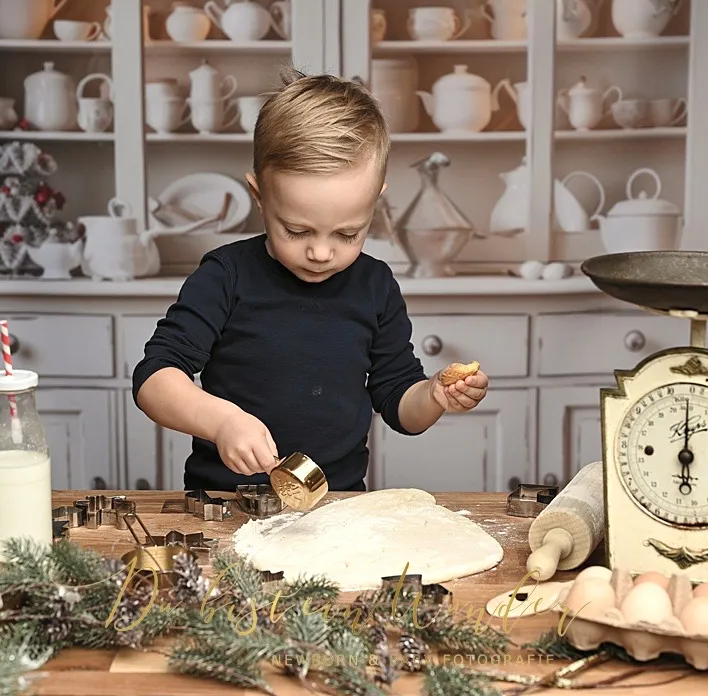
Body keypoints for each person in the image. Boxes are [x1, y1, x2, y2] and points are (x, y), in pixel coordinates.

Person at [132, 70, 490, 492]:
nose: (321, 252)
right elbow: (154, 378)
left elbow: (399, 402)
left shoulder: (375, 285)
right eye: (297, 231)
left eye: (347, 233)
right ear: (259, 197)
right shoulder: (225, 276)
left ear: (374, 202)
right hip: (224, 504)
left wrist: (432, 395)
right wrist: (222, 421)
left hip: (334, 505)